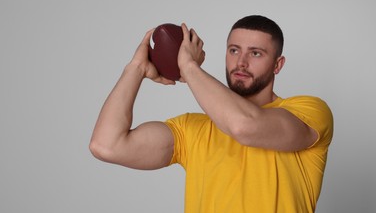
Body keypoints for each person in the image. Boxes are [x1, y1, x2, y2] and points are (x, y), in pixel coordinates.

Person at [89, 15, 333, 213]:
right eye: (234, 50)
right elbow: (106, 145)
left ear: (278, 64)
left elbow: (244, 126)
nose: (242, 62)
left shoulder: (308, 112)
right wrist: (136, 68)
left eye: (256, 53)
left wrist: (189, 67)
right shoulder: (192, 130)